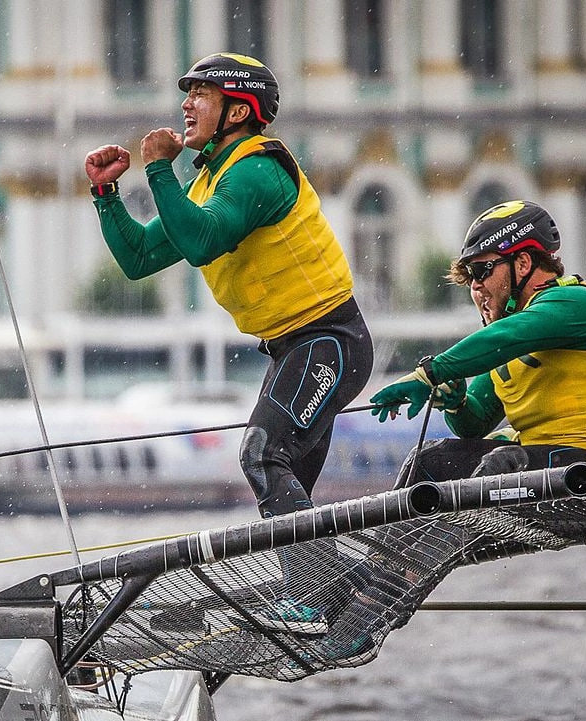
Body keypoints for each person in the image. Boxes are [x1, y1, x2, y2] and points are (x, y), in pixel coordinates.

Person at [85, 52, 373, 632]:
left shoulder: (255, 170)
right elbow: (140, 258)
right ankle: (334, 592)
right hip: (296, 348)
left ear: (238, 110)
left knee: (263, 455)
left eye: (201, 94)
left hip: (328, 339)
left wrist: (159, 170)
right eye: (185, 92)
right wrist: (105, 197)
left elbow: (203, 241)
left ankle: (322, 596)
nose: (185, 104)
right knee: (285, 478)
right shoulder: (212, 178)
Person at [370, 199, 586, 489]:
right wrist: (457, 404)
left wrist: (432, 373)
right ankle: (388, 545)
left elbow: (506, 337)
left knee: (503, 465)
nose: (476, 288)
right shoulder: (508, 341)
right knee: (427, 461)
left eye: (482, 272)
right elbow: (474, 426)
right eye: (469, 279)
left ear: (524, 262)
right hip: (550, 462)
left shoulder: (578, 301)